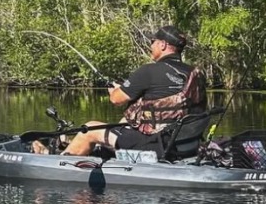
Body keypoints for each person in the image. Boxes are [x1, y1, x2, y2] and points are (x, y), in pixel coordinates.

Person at [60, 25, 206, 157]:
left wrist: (116, 90)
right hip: (185, 143)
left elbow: (116, 99)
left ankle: (61, 165)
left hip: (156, 144)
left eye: (153, 42)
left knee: (90, 128)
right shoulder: (196, 74)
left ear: (162, 45)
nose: (151, 46)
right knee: (124, 123)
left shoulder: (148, 71)